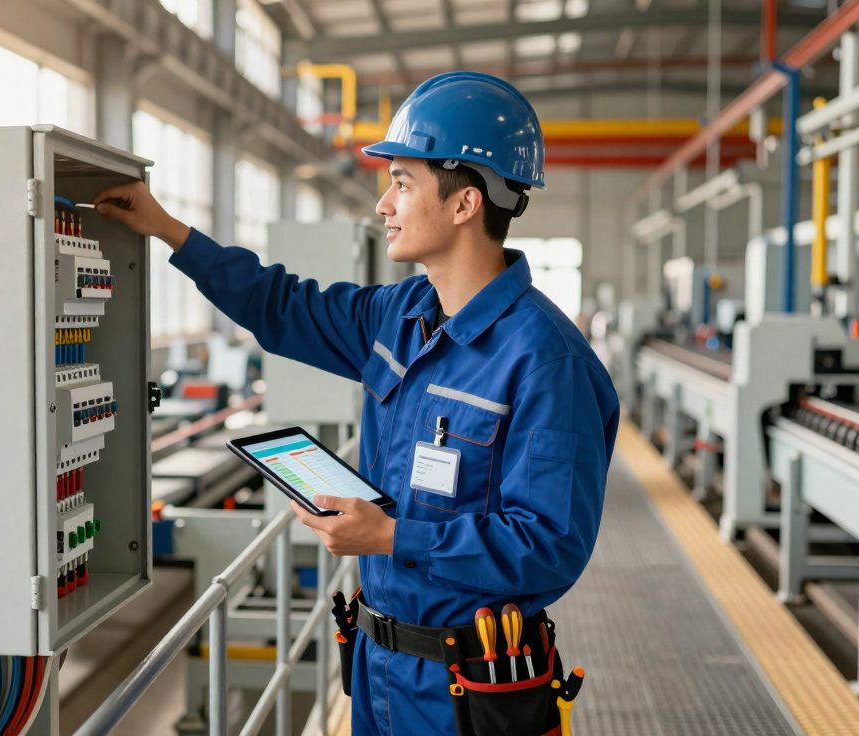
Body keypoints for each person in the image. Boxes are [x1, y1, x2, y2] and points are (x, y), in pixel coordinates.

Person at [93, 71, 619, 735]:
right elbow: (281, 306)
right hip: (377, 669)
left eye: (402, 182)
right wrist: (168, 230)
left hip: (469, 692)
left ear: (464, 203)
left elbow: (549, 545)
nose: (383, 205)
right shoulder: (398, 315)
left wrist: (393, 535)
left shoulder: (546, 361)